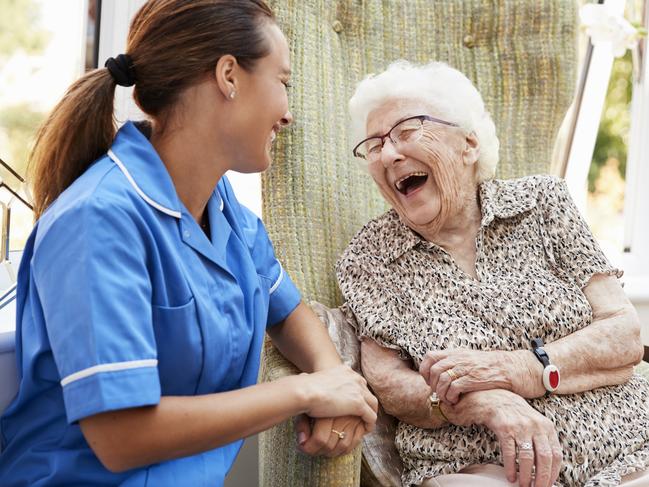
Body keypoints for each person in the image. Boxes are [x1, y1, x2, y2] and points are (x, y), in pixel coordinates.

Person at [0, 1, 378, 485]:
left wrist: (335, 379)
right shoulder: (97, 220)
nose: (288, 113)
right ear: (229, 76)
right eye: (283, 83)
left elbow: (286, 309)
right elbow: (121, 436)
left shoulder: (220, 208)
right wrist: (307, 393)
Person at [336, 60, 649, 487]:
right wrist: (488, 403)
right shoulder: (369, 256)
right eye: (374, 145)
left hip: (630, 443)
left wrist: (516, 370)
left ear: (469, 144)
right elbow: (391, 386)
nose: (389, 153)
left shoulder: (542, 203)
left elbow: (623, 334)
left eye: (407, 131)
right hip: (482, 465)